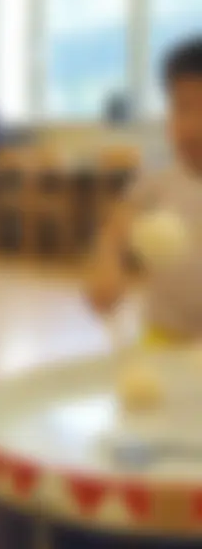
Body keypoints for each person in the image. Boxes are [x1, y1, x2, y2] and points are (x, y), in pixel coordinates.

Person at [85, 35, 202, 346]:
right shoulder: (158, 176)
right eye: (183, 107)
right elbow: (116, 226)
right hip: (164, 332)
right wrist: (108, 264)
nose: (193, 125)